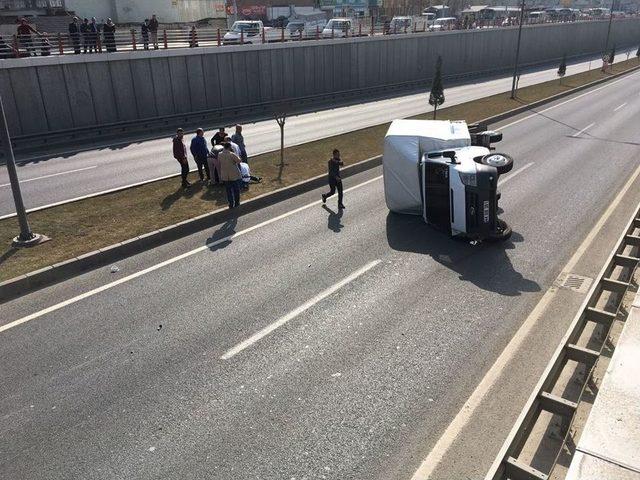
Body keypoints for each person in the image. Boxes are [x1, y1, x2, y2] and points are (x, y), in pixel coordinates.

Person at [218, 142, 242, 208]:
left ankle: (231, 204)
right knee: (236, 190)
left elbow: (219, 162)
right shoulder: (232, 154)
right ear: (229, 147)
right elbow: (239, 161)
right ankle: (237, 202)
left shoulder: (219, 154)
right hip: (233, 174)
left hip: (225, 175)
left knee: (228, 191)